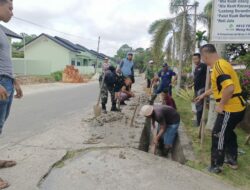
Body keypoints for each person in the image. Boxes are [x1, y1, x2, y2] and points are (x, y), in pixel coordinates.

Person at [196, 44, 246, 174]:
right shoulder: (223, 63)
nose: (203, 61)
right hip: (238, 107)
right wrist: (204, 94)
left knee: (218, 134)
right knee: (228, 132)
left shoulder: (218, 67)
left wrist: (221, 105)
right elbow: (219, 87)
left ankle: (216, 165)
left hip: (230, 109)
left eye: (202, 58)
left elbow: (229, 88)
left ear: (205, 56)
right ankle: (232, 160)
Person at [0, 0, 23, 188]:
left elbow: (4, 60)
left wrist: (14, 81)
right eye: (10, 8)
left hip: (6, 82)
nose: (12, 13)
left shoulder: (1, 31)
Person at [192, 53, 207, 127]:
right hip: (196, 88)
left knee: (199, 105)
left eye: (196, 59)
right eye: (193, 59)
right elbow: (196, 78)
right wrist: (191, 84)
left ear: (200, 58)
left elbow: (209, 75)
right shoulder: (196, 68)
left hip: (202, 88)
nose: (195, 60)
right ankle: (198, 121)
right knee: (197, 105)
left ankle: (198, 122)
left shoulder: (204, 66)